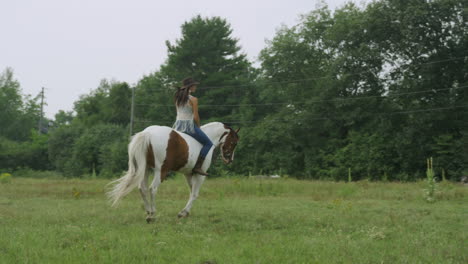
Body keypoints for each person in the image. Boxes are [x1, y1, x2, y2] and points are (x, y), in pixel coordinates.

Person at [173, 77, 213, 176]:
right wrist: (198, 126)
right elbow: (195, 117)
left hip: (177, 126)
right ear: (190, 86)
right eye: (195, 85)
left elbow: (178, 112)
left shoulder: (178, 97)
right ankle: (198, 167)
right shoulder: (193, 99)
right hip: (188, 126)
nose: (196, 87)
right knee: (208, 143)